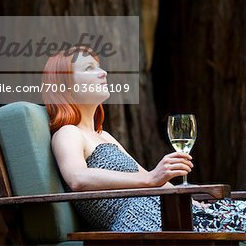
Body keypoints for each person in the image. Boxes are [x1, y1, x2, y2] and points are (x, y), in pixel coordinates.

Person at [42, 46, 246, 233]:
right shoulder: (68, 133)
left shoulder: (103, 136)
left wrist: (191, 201)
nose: (103, 73)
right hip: (142, 221)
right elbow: (77, 178)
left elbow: (149, 176)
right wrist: (151, 179)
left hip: (165, 213)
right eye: (89, 68)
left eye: (99, 67)